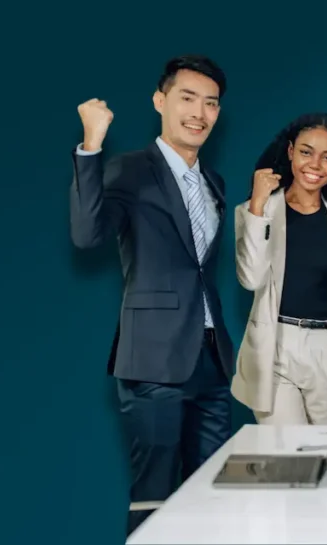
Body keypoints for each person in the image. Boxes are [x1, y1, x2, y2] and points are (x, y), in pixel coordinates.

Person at [68, 55, 234, 535]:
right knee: (155, 499)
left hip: (212, 360)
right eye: (187, 98)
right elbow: (87, 234)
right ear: (160, 101)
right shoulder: (131, 169)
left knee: (214, 494)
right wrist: (91, 145)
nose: (199, 113)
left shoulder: (214, 183)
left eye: (211, 103)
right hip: (154, 359)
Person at [232, 113, 327, 426]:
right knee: (285, 457)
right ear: (291, 151)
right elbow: (250, 278)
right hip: (274, 346)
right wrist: (257, 204)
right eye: (307, 152)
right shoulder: (255, 211)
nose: (316, 164)